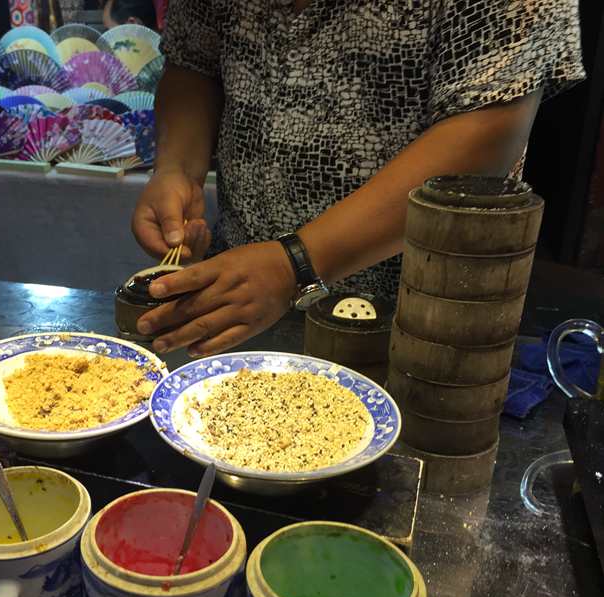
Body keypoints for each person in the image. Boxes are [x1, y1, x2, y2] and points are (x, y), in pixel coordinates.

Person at [130, 0, 585, 358]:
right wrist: (177, 169)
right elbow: (194, 63)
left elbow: (487, 129)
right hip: (249, 287)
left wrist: (296, 263)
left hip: (428, 311)